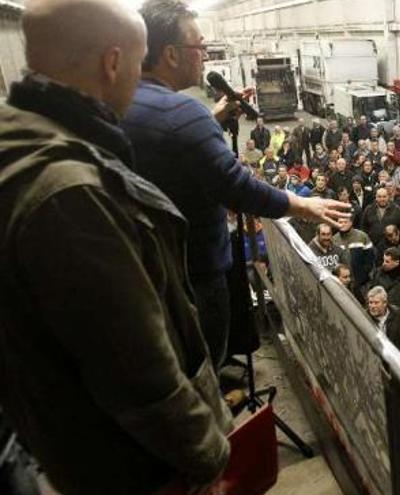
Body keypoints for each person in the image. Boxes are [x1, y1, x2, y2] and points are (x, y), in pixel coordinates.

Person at [0, 0, 231, 492]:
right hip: (133, 468)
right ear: (113, 62)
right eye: (138, 60)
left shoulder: (19, 145)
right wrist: (207, 456)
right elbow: (140, 374)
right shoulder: (73, 195)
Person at [124, 0, 349, 369]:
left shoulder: (128, 101)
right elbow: (237, 187)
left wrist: (210, 120)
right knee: (203, 364)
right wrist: (303, 205)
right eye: (199, 46)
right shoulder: (184, 115)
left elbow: (171, 144)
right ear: (171, 54)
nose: (205, 55)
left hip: (150, 269)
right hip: (195, 270)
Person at [366, 286, 400, 356]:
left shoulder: (397, 314)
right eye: (370, 302)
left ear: (385, 303)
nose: (372, 306)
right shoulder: (365, 317)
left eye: (376, 303)